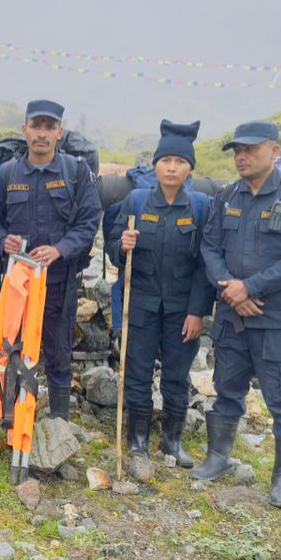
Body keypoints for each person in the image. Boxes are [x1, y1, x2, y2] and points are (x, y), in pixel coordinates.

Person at [195, 120, 281, 509]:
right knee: (226, 389)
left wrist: (249, 287)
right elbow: (209, 249)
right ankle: (218, 457)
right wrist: (231, 290)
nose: (242, 156)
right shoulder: (226, 196)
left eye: (251, 149)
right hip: (232, 318)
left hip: (279, 321)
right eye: (237, 150)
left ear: (275, 152)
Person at [0, 100, 101, 419]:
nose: (42, 134)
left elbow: (89, 223)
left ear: (59, 132)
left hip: (59, 284)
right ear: (25, 130)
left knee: (59, 355)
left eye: (49, 127)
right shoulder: (7, 174)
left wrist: (60, 249)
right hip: (17, 284)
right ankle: (10, 419)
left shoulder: (76, 173)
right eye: (36, 126)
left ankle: (59, 421)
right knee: (11, 349)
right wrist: (1, 240)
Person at [109, 120, 214, 481]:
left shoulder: (201, 208)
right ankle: (138, 439)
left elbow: (206, 265)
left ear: (190, 169)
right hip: (140, 305)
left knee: (176, 375)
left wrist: (198, 311)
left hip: (182, 311)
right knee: (136, 373)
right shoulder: (136, 200)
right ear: (155, 165)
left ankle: (173, 440)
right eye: (166, 160)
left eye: (179, 162)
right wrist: (122, 247)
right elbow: (114, 254)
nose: (172, 168)